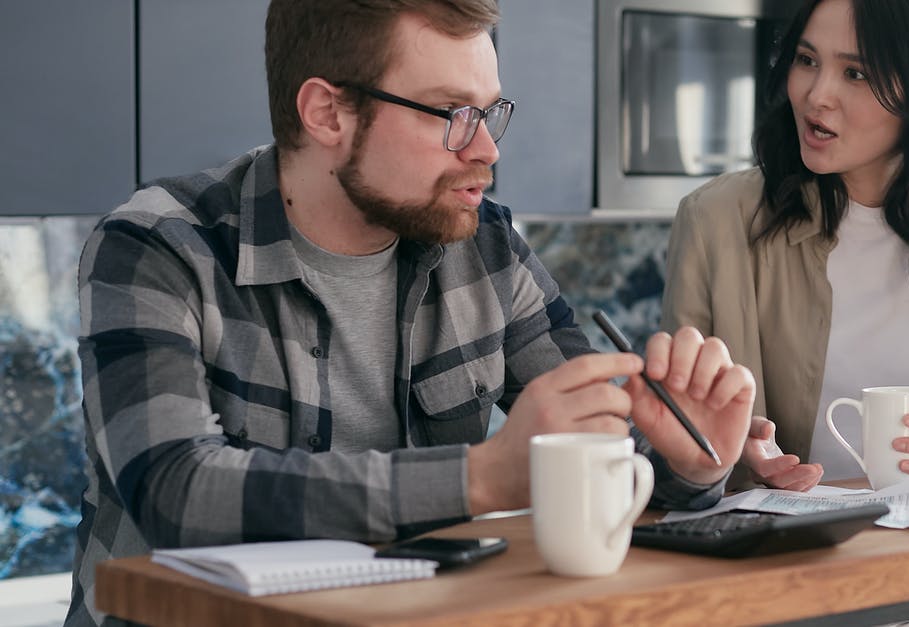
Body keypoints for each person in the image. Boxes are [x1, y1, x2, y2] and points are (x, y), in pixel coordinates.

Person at [67, 1, 755, 625]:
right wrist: (482, 476)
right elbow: (175, 490)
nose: (486, 149)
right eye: (452, 113)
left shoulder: (487, 249)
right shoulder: (157, 245)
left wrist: (685, 457)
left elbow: (613, 468)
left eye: (490, 113)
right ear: (327, 113)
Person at [662, 0, 909, 495]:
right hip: (791, 551)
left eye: (856, 73)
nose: (817, 95)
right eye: (807, 60)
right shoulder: (714, 220)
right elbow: (672, 436)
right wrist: (717, 454)